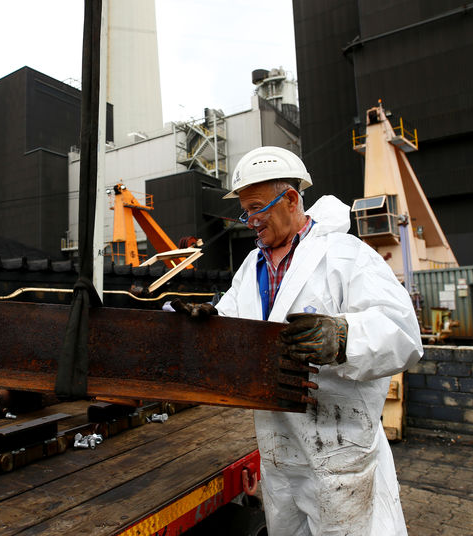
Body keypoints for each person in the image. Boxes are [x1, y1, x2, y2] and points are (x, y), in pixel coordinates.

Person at [177, 147, 423, 535]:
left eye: (257, 208)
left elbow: (403, 333)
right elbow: (238, 322)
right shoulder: (252, 266)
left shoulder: (345, 256)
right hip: (278, 451)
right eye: (245, 211)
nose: (251, 221)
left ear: (291, 199)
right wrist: (213, 323)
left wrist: (342, 337)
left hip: (339, 449)